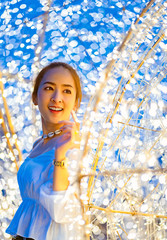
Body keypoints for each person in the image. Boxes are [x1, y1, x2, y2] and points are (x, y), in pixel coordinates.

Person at [6, 62, 84, 240]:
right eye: (49, 88)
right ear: (35, 97)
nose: (57, 97)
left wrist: (60, 155)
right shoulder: (39, 143)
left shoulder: (74, 150)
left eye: (67, 91)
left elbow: (62, 211)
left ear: (76, 103)